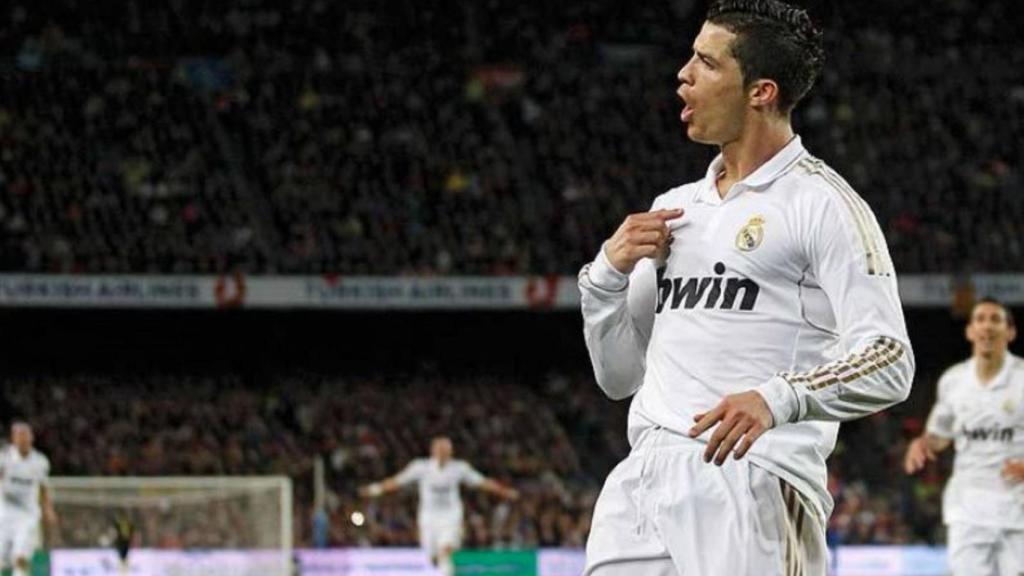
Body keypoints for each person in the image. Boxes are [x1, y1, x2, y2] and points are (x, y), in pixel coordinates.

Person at [578, 1, 915, 574]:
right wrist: (605, 278)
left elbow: (890, 359)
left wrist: (777, 398)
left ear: (760, 92)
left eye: (706, 64)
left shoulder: (823, 205)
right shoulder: (673, 209)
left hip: (753, 478)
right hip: (643, 481)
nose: (682, 75)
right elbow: (617, 377)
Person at [904, 298, 1024, 575]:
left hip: (1018, 511)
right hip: (969, 509)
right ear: (970, 331)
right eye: (980, 319)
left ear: (1010, 332)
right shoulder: (953, 381)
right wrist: (923, 443)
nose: (987, 326)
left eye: (996, 319)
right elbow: (939, 435)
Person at [358, 436, 518, 576]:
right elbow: (397, 481)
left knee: (446, 551)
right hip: (428, 518)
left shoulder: (459, 468)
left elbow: (482, 482)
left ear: (451, 452)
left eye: (446, 449)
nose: (442, 452)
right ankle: (437, 562)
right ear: (432, 451)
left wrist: (505, 491)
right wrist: (374, 489)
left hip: (451, 516)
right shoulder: (420, 467)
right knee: (432, 555)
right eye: (439, 449)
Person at [0, 422, 57, 576]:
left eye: (25, 435)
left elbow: (44, 488)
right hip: (5, 514)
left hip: (27, 515)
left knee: (21, 557)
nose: (23, 439)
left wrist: (48, 509)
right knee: (3, 561)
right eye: (19, 435)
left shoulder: (40, 461)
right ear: (13, 438)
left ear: (31, 438)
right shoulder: (4, 458)